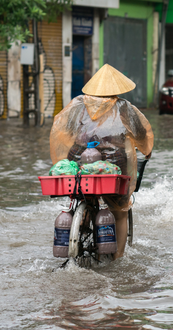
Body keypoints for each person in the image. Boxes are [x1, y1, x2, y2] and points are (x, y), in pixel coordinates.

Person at [49, 64, 154, 259]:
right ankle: (118, 257)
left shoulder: (77, 105)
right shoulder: (124, 107)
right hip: (113, 163)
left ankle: (82, 220)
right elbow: (141, 134)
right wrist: (146, 151)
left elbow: (64, 131)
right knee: (120, 211)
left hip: (78, 159)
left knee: (83, 192)